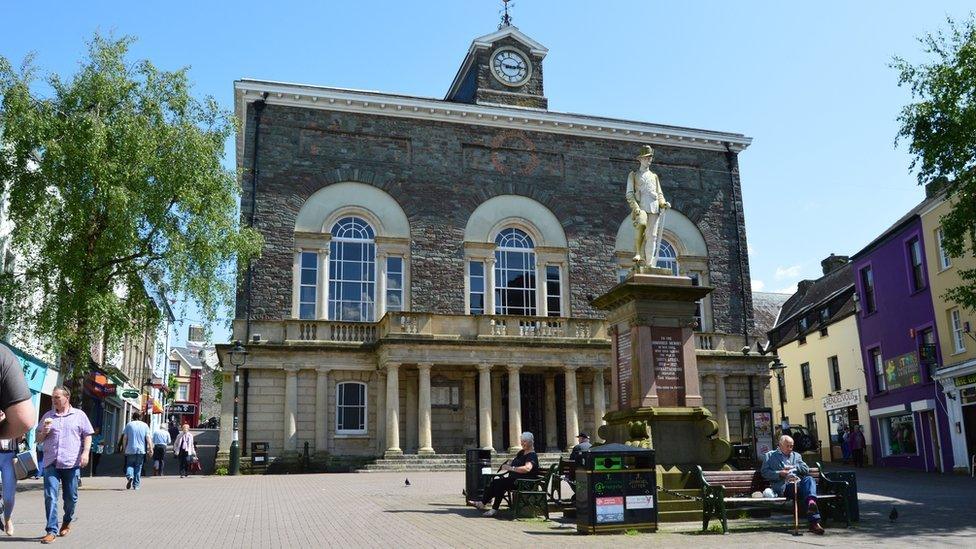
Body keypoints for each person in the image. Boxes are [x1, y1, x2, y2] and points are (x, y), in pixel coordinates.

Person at [36, 386, 94, 544]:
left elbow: (87, 435)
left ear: (66, 397)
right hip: (51, 462)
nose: (54, 400)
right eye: (53, 397)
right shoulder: (48, 416)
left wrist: (85, 453)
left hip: (71, 463)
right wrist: (44, 432)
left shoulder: (79, 415)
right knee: (50, 496)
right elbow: (39, 439)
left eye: (57, 397)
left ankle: (67, 520)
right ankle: (51, 530)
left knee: (70, 498)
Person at [760, 435, 824, 535]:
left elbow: (805, 469)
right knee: (807, 491)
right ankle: (815, 523)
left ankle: (812, 503)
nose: (790, 448)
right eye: (788, 446)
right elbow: (764, 472)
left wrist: (795, 467)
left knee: (809, 479)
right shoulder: (769, 456)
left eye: (792, 446)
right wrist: (779, 473)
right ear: (780, 445)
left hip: (798, 483)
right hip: (785, 486)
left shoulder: (796, 455)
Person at [468, 432, 539, 517]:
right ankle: (483, 503)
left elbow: (527, 468)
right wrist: (508, 464)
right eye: (522, 441)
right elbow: (516, 462)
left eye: (525, 441)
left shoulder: (532, 455)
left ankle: (493, 508)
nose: (522, 443)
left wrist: (511, 468)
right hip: (516, 480)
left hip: (524, 482)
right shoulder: (521, 453)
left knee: (499, 484)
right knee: (495, 482)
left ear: (531, 442)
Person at [625, 145, 671, 271]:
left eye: (650, 158)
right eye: (646, 158)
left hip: (654, 207)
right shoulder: (634, 175)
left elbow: (659, 193)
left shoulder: (654, 176)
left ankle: (650, 264)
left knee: (652, 236)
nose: (649, 160)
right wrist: (636, 208)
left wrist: (663, 203)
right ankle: (638, 253)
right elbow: (629, 193)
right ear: (640, 159)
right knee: (641, 224)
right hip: (641, 207)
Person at [0, 414, 23, 535]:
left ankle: (7, 518)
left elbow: (21, 439)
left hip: (9, 456)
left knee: (8, 497)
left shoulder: (13, 416)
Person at [121, 412, 152, 490]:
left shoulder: (129, 425)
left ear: (132, 417)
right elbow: (148, 437)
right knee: (138, 467)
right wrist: (150, 448)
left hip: (130, 449)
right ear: (140, 417)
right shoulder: (145, 425)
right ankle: (136, 485)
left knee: (129, 465)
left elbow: (125, 437)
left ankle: (129, 476)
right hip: (141, 450)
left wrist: (124, 448)